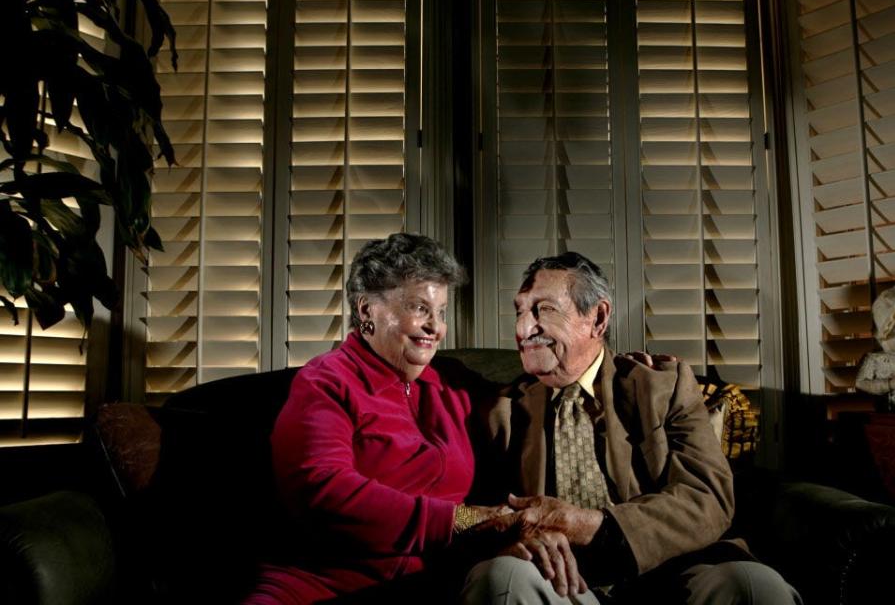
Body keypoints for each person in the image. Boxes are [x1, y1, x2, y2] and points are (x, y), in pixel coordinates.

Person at [463, 252, 801, 604]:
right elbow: (467, 514)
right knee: (501, 576)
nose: (522, 329)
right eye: (520, 311)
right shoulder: (499, 410)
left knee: (752, 584)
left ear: (597, 317)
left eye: (543, 310)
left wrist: (592, 524)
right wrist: (511, 536)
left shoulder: (663, 387)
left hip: (671, 573)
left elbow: (708, 496)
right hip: (560, 582)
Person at [246, 233, 506, 604]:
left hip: (436, 583)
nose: (436, 327)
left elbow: (533, 398)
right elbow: (324, 489)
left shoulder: (455, 385)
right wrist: (461, 521)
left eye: (442, 312)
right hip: (323, 583)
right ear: (367, 310)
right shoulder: (326, 381)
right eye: (419, 308)